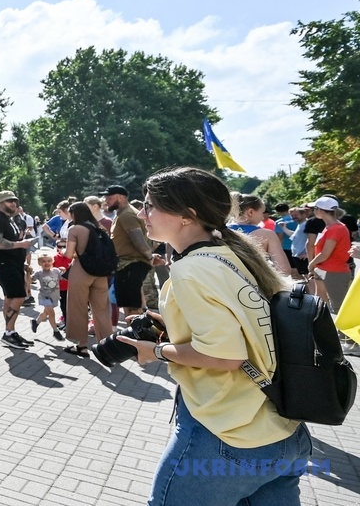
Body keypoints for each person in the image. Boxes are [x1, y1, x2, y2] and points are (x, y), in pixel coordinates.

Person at [118, 167, 311, 505]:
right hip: (284, 430)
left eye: (149, 206)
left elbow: (225, 356)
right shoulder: (231, 255)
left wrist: (156, 351)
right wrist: (174, 324)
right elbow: (243, 326)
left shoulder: (190, 270)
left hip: (229, 436)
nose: (141, 214)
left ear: (186, 216)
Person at [0, 191, 37, 349]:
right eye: (9, 201)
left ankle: (10, 332)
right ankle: (8, 333)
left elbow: (11, 239)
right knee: (19, 296)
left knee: (10, 296)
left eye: (14, 200)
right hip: (3, 264)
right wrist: (21, 244)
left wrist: (22, 262)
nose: (13, 203)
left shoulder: (9, 219)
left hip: (13, 263)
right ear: (0, 203)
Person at [62, 201, 112, 357]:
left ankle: (81, 345)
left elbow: (68, 254)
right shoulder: (99, 227)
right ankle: (107, 347)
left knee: (78, 307)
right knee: (102, 309)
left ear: (74, 214)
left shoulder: (75, 229)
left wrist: (63, 250)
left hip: (81, 270)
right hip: (101, 272)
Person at [101, 185, 156, 315]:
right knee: (129, 306)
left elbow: (139, 241)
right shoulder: (122, 214)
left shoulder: (127, 215)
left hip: (131, 266)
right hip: (127, 266)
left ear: (121, 197)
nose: (106, 201)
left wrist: (150, 257)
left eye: (109, 197)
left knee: (133, 309)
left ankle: (135, 328)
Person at [228, 193, 293, 276]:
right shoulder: (267, 235)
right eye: (262, 212)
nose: (262, 217)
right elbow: (284, 270)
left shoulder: (218, 232)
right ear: (250, 212)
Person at [307, 196, 352, 312]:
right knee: (321, 304)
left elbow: (325, 254)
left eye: (314, 208)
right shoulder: (330, 227)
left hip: (335, 272)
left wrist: (311, 264)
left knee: (340, 309)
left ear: (320, 210)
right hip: (324, 270)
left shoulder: (336, 228)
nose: (313, 211)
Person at [30, 249, 65, 341]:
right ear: (39, 263)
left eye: (49, 261)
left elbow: (64, 278)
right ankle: (56, 331)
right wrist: (28, 274)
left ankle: (36, 322)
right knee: (51, 314)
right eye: (43, 261)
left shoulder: (56, 271)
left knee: (46, 313)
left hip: (54, 296)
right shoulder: (39, 273)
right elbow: (30, 280)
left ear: (52, 262)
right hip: (44, 297)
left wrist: (64, 271)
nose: (46, 263)